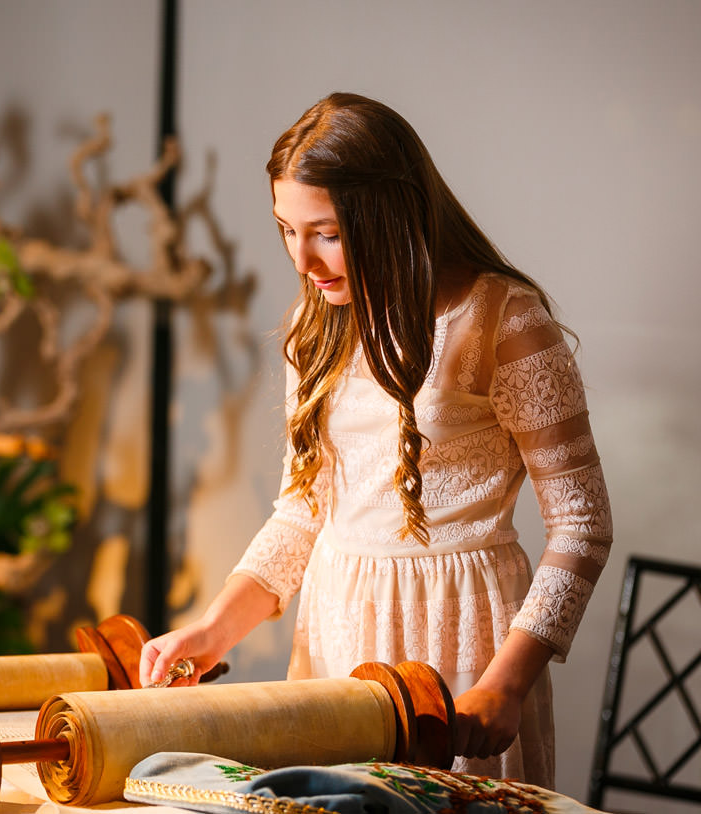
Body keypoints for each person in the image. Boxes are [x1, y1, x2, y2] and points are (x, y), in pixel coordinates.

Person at [139, 93, 611, 789]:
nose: (303, 260)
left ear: (389, 213)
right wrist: (213, 630)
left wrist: (506, 683)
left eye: (326, 233)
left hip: (462, 644)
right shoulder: (318, 323)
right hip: (336, 637)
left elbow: (583, 524)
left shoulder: (502, 320)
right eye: (287, 231)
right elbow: (302, 510)